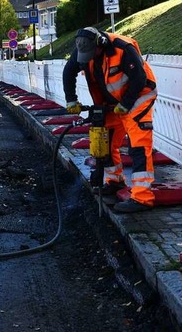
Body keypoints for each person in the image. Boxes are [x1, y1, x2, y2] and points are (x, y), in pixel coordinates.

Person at [62, 27, 158, 213]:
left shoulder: (123, 48)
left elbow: (139, 78)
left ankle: (142, 197)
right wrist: (71, 99)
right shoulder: (83, 49)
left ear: (101, 44)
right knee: (106, 144)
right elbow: (69, 71)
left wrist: (126, 103)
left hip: (137, 97)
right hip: (111, 103)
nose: (89, 58)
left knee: (138, 145)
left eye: (92, 54)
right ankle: (115, 181)